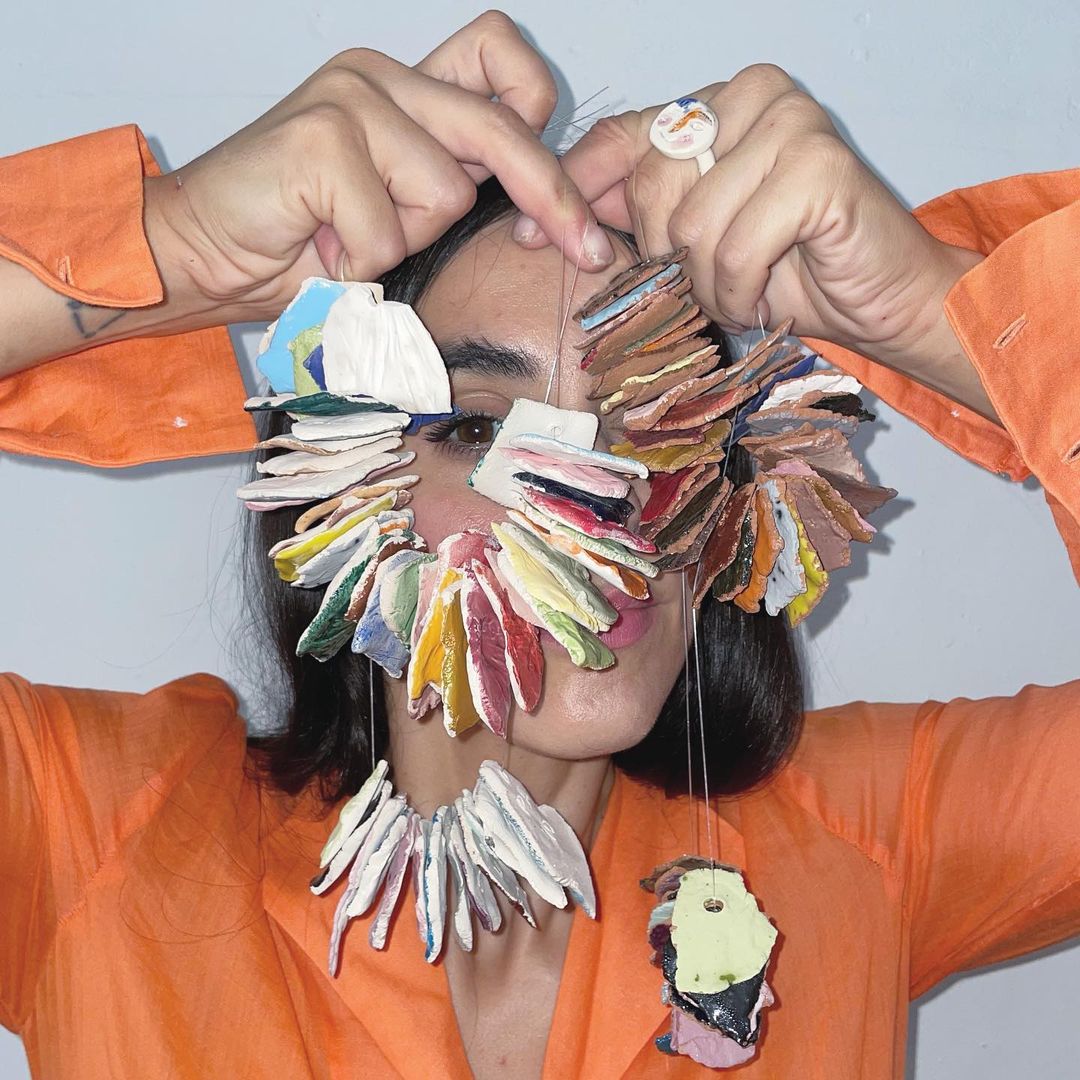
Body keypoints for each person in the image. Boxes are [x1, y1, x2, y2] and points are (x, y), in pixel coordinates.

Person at [1, 12, 1078, 1079]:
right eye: (478, 431)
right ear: (333, 480)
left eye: (656, 424)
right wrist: (166, 250)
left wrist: (942, 316)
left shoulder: (871, 839)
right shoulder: (94, 832)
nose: (602, 506)